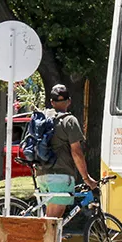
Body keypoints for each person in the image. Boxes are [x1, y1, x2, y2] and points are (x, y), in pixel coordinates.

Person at [38, 84, 98, 222]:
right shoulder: (69, 121)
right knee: (52, 222)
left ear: (52, 102)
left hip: (42, 174)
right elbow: (77, 152)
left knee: (51, 219)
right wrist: (86, 178)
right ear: (69, 101)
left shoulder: (45, 118)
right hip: (60, 175)